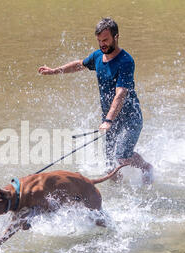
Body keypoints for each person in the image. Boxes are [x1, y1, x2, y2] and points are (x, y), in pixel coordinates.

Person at [38, 17, 154, 184]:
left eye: (105, 40)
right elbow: (79, 64)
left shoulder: (126, 61)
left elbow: (120, 94)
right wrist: (55, 71)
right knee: (109, 165)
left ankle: (146, 167)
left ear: (116, 36)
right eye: (99, 41)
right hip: (110, 118)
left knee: (122, 156)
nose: (102, 44)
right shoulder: (98, 56)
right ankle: (118, 193)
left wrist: (108, 120)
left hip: (130, 117)